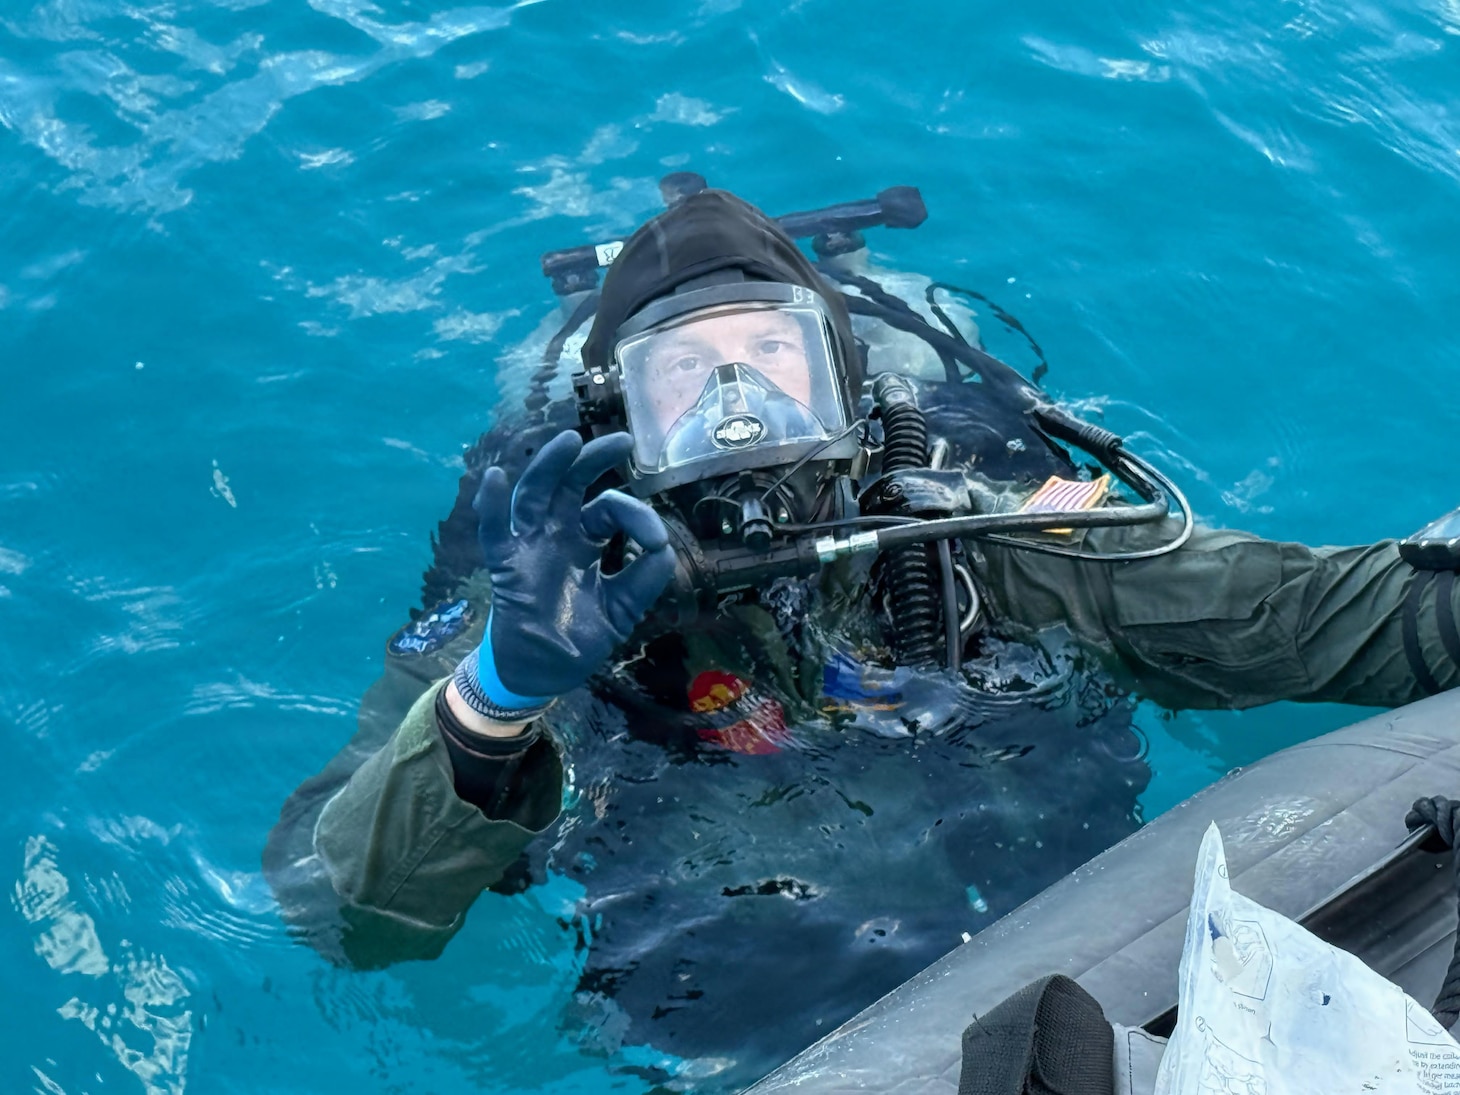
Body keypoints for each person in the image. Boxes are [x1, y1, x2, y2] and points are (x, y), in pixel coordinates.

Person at [264, 189, 1460, 1087]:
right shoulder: (543, 616)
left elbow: (1317, 619)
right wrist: (493, 703)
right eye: (689, 382)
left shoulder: (983, 540)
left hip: (1079, 975)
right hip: (733, 1026)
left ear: (849, 389)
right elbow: (348, 919)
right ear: (620, 422)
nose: (741, 413)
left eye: (774, 367)